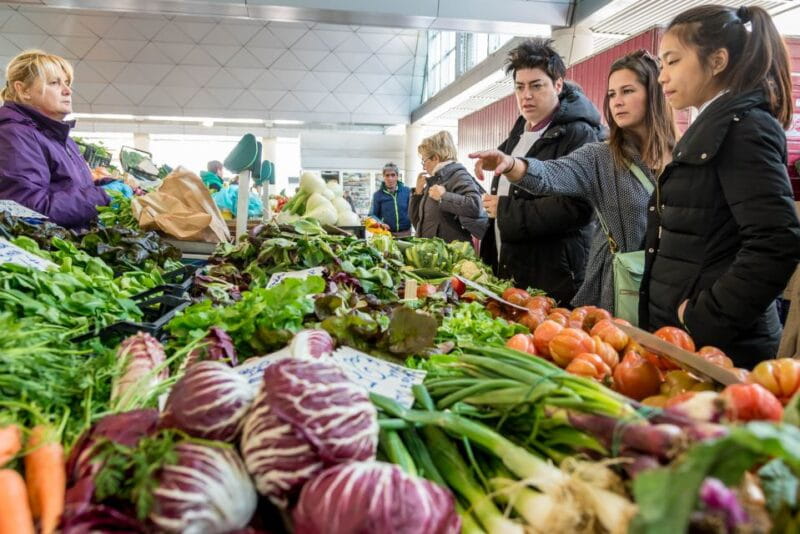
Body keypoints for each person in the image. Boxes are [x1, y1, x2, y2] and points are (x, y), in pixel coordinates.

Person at [643, 4, 800, 366]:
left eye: (673, 61)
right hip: (690, 344)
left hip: (722, 350)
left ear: (717, 61)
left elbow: (776, 241)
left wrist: (703, 317)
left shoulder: (745, 128)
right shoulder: (714, 124)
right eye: (661, 64)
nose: (662, 77)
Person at [470, 50, 678, 315]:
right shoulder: (601, 155)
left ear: (655, 94)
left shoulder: (685, 154)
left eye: (627, 91)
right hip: (622, 292)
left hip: (672, 290)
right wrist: (512, 165)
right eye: (612, 94)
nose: (617, 102)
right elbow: (551, 175)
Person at [479, 38, 601, 304]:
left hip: (553, 279)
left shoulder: (579, 134)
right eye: (520, 87)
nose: (527, 95)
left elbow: (577, 208)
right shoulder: (520, 131)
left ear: (558, 85)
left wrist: (505, 210)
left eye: (537, 86)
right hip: (515, 271)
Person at [0, 50, 109, 228]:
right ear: (24, 90)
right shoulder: (14, 135)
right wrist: (102, 196)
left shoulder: (58, 137)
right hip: (50, 248)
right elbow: (25, 210)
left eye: (67, 83)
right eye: (54, 83)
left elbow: (67, 186)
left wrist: (103, 185)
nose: (67, 91)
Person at [410, 131, 486, 243]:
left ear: (435, 158)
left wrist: (443, 197)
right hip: (433, 253)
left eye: (424, 161)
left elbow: (475, 205)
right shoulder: (435, 180)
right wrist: (418, 193)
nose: (424, 166)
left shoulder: (458, 175)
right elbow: (418, 222)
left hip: (451, 255)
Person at [369, 162, 412, 237]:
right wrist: (381, 223)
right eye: (387, 175)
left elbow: (413, 210)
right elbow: (372, 214)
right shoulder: (378, 195)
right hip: (386, 234)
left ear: (397, 176)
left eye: (393, 175)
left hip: (405, 233)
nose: (390, 178)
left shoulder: (407, 191)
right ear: (383, 177)